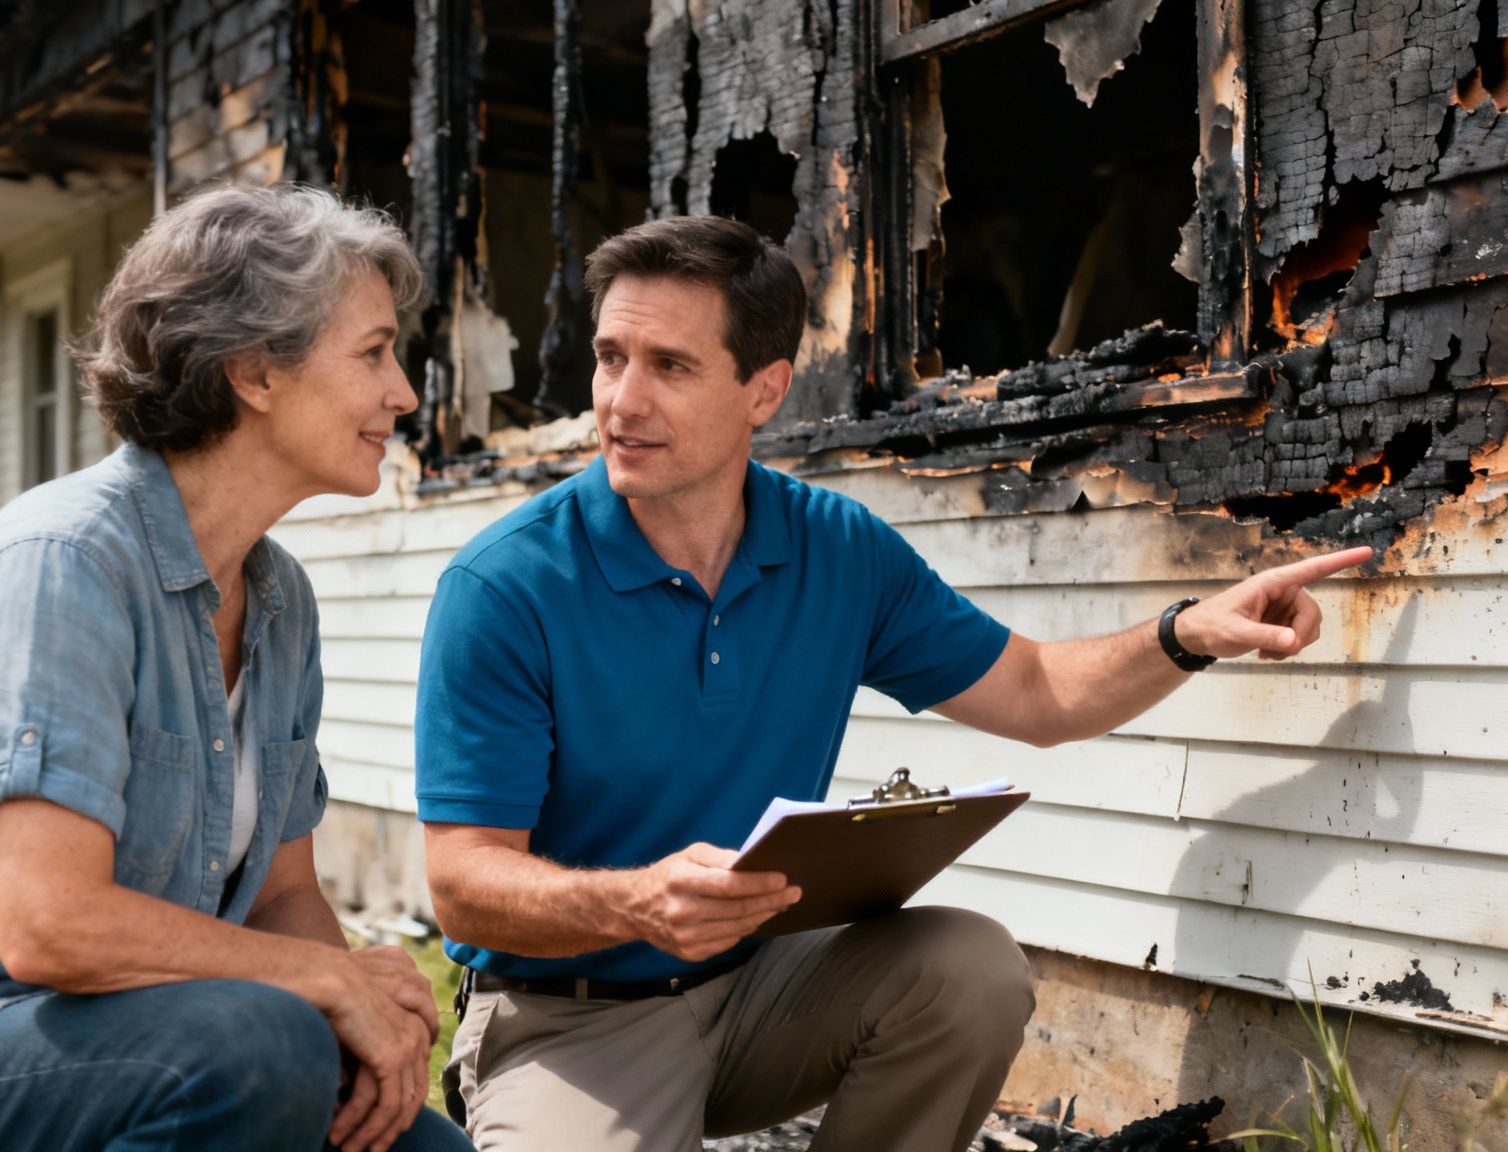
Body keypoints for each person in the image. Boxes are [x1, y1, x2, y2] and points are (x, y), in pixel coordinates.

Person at [413, 215, 1369, 1152]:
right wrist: (637, 903)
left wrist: (1187, 632)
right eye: (610, 356)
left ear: (766, 390)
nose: (620, 402)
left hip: (760, 990)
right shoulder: (505, 585)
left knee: (970, 970)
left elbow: (1037, 692)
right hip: (574, 1016)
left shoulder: (837, 548)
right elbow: (462, 886)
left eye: (669, 366)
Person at [0, 184, 474, 1152]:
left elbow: (281, 896)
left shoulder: (279, 600)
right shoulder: (64, 564)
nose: (404, 394)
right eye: (374, 351)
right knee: (259, 1046)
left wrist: (357, 1029)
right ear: (255, 370)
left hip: (131, 1048)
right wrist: (316, 987)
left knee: (413, 1142)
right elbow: (48, 924)